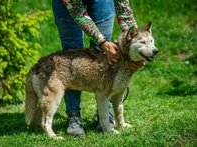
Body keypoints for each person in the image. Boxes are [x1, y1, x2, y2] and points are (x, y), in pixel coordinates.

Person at [52, 0, 144, 137]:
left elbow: (123, 10)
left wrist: (135, 47)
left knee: (105, 56)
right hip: (70, 5)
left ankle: (105, 115)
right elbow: (79, 14)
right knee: (71, 54)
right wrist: (103, 43)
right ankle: (74, 116)